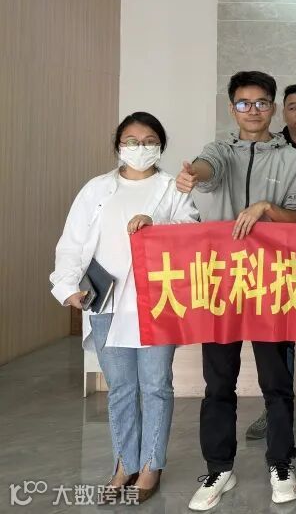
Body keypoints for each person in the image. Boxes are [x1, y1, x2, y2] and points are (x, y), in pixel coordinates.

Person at [180, 71, 296, 510]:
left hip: (273, 284)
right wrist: (192, 173)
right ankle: (219, 467)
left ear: (272, 108)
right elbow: (207, 170)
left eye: (261, 103)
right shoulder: (218, 151)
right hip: (221, 284)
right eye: (244, 103)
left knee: (277, 382)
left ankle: (281, 462)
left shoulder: (293, 160)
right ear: (232, 108)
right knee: (218, 382)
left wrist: (267, 209)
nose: (253, 111)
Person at [50, 112, 198, 505]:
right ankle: (124, 463)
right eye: (131, 141)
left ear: (161, 145)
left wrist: (156, 222)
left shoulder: (172, 188)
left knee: (156, 386)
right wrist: (67, 286)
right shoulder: (97, 189)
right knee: (120, 388)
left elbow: (191, 233)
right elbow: (72, 241)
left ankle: (151, 464)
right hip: (106, 301)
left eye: (149, 141)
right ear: (118, 145)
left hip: (156, 302)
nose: (140, 148)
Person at [245, 83, 296, 442]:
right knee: (277, 334)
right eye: (292, 107)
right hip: (274, 255)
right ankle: (275, 406)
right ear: (283, 112)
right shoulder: (273, 147)